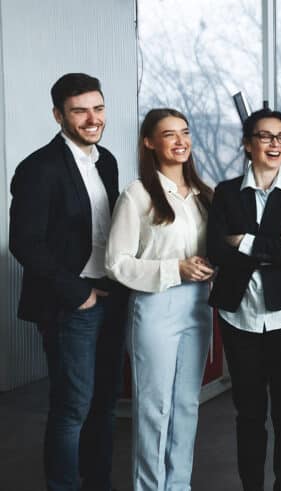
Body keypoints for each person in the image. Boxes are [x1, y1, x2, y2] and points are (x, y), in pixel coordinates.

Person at [9, 73, 127, 491]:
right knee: (72, 407)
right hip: (72, 303)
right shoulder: (39, 168)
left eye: (98, 108)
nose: (92, 118)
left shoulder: (106, 160)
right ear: (59, 115)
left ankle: (98, 483)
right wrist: (78, 294)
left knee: (105, 404)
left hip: (111, 295)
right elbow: (24, 243)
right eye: (80, 110)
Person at [105, 108, 215, 490]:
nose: (180, 140)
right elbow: (115, 263)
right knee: (155, 408)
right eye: (169, 134)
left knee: (187, 405)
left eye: (184, 132)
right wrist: (175, 269)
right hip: (155, 308)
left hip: (199, 307)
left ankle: (179, 485)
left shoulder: (206, 194)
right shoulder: (137, 194)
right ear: (150, 142)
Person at [206, 108, 281, 491]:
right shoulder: (225, 193)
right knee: (248, 412)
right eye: (265, 136)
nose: (274, 144)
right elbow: (216, 251)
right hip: (240, 316)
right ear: (247, 143)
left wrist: (244, 241)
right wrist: (274, 243)